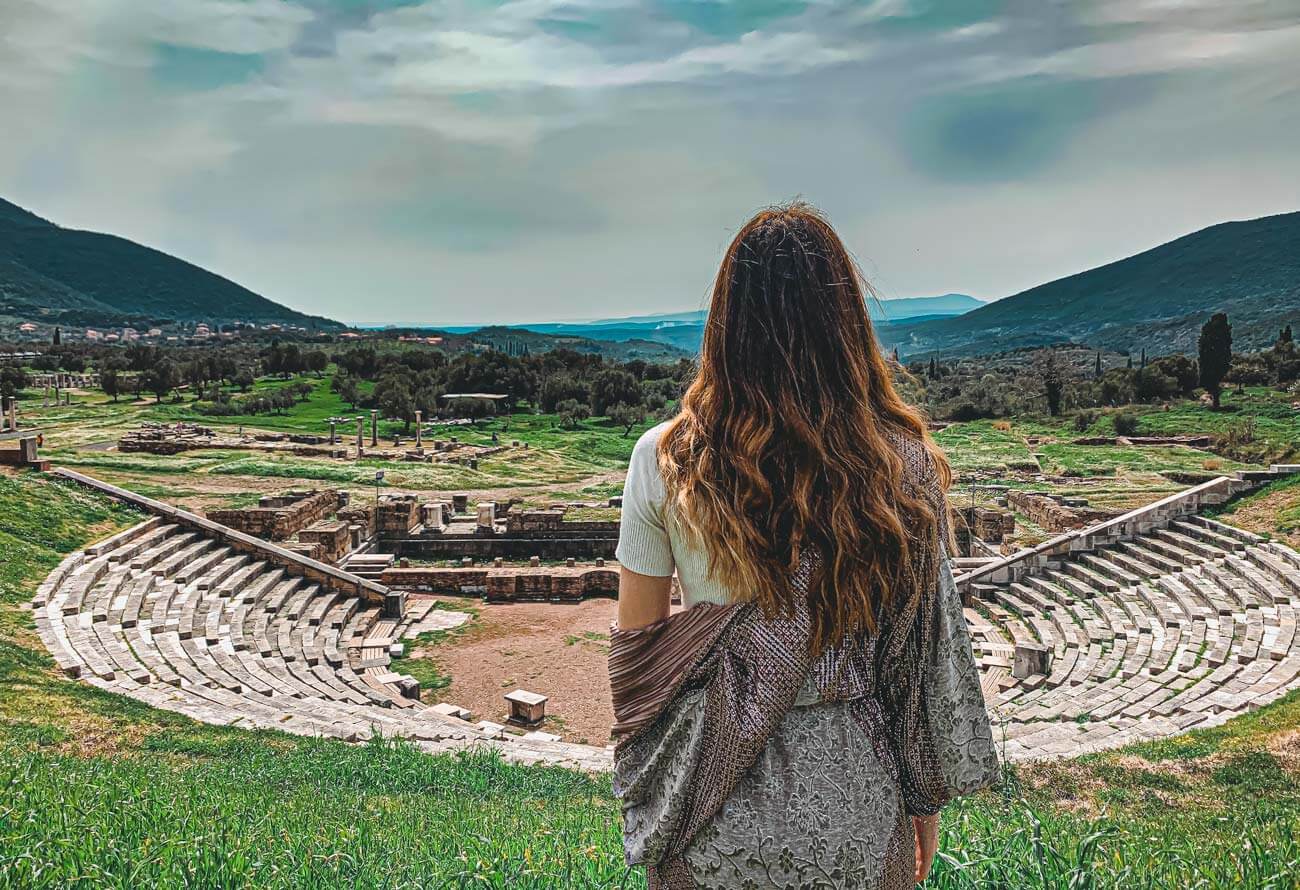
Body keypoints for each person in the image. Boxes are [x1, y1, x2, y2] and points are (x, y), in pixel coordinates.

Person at [609, 203, 998, 889]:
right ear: (845, 324)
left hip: (713, 805)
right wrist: (921, 804)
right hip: (856, 795)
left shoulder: (664, 458)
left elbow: (641, 665)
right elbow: (914, 662)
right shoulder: (900, 469)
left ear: (725, 326)